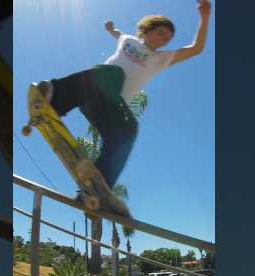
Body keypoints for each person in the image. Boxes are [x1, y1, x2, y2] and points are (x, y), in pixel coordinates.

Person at [30, 0, 211, 194]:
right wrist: (111, 27)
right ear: (147, 30)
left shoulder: (161, 59)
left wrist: (205, 17)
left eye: (167, 39)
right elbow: (117, 33)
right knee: (114, 72)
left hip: (111, 108)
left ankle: (99, 184)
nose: (163, 41)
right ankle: (54, 96)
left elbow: (196, 49)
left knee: (129, 129)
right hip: (91, 90)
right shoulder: (128, 40)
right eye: (161, 34)